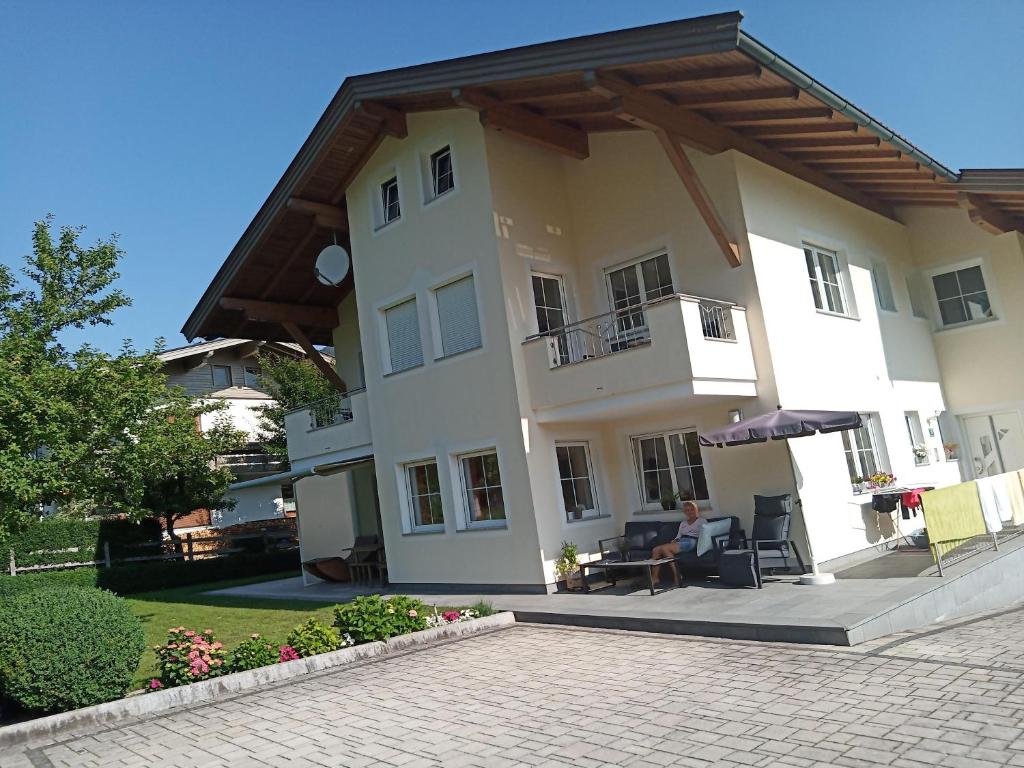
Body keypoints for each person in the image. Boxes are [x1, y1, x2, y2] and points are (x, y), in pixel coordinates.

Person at [650, 501, 704, 584]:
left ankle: (677, 575)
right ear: (685, 512)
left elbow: (706, 534)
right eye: (687, 510)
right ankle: (655, 577)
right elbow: (678, 536)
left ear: (696, 510)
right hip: (681, 540)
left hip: (692, 541)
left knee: (665, 548)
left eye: (691, 509)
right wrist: (674, 540)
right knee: (656, 549)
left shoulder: (701, 521)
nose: (689, 512)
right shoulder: (683, 523)